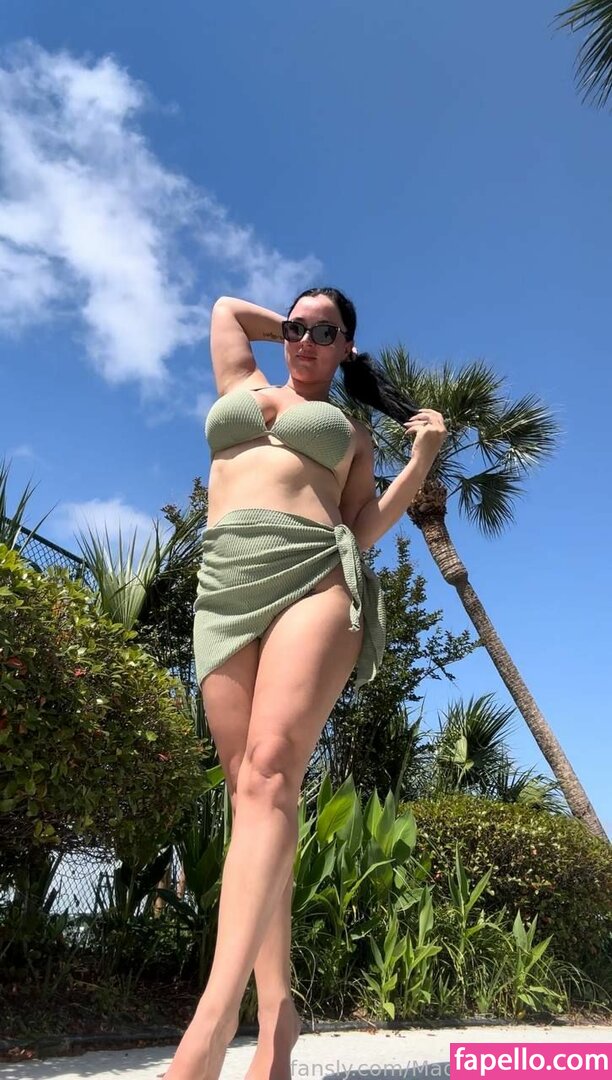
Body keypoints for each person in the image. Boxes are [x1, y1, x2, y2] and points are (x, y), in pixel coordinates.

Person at [165, 288, 447, 1080]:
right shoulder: (242, 382)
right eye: (297, 327)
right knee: (252, 799)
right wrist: (299, 327)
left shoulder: (351, 431)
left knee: (268, 775)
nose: (306, 340)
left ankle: (209, 1032)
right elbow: (226, 310)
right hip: (224, 583)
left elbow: (362, 524)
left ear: (347, 344)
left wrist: (420, 460)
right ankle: (278, 1016)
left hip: (314, 573)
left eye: (327, 331)